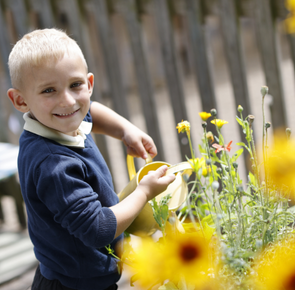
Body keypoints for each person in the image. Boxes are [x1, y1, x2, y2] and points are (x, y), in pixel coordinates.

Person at [6, 28, 175, 290]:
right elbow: (98, 229)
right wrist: (144, 192)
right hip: (75, 284)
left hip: (79, 273)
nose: (68, 100)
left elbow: (90, 111)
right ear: (20, 100)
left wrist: (125, 130)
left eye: (75, 85)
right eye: (49, 90)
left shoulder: (56, 122)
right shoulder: (54, 166)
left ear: (89, 83)